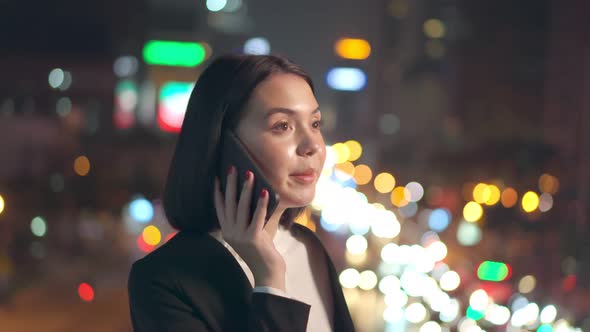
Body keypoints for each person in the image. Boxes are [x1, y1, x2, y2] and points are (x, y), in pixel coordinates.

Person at [127, 54, 356, 332]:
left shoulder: (310, 248)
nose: (313, 146)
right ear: (226, 146)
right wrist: (270, 280)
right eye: (282, 126)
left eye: (315, 124)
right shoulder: (163, 279)